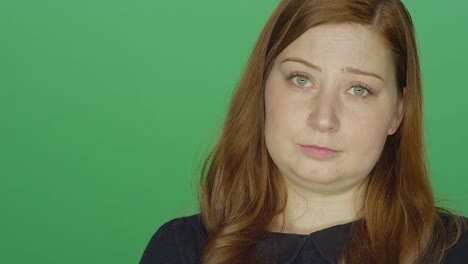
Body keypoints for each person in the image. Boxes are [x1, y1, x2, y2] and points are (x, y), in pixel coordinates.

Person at [141, 0, 468, 263]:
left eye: (359, 89)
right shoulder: (180, 249)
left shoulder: (456, 250)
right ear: (262, 89)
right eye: (301, 79)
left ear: (398, 111)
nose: (323, 119)